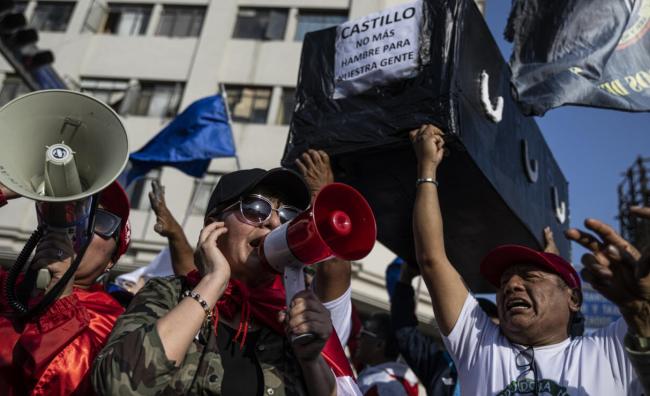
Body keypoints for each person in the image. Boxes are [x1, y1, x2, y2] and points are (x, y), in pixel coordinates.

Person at [410, 124, 645, 395]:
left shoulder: (611, 352)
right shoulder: (478, 344)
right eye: (504, 282)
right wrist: (426, 168)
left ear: (574, 299)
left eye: (530, 277)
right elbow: (432, 259)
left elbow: (643, 312)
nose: (511, 286)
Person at [92, 167, 359, 395]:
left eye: (288, 216)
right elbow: (118, 384)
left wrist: (311, 359)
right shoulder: (169, 295)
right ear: (214, 226)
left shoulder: (291, 321)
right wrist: (213, 282)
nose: (274, 222)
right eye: (256, 207)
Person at [0, 180, 131, 396]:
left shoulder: (116, 322)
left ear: (111, 261)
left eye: (99, 220)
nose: (78, 224)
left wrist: (59, 296)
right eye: (71, 210)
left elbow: (66, 382)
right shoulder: (9, 288)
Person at [391, 263, 498, 396]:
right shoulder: (441, 364)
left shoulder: (516, 367)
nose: (483, 334)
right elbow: (405, 333)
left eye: (491, 329)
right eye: (477, 327)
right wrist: (405, 279)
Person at [356, 312, 419, 396]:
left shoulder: (388, 387)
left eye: (363, 333)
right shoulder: (378, 377)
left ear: (379, 344)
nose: (358, 337)